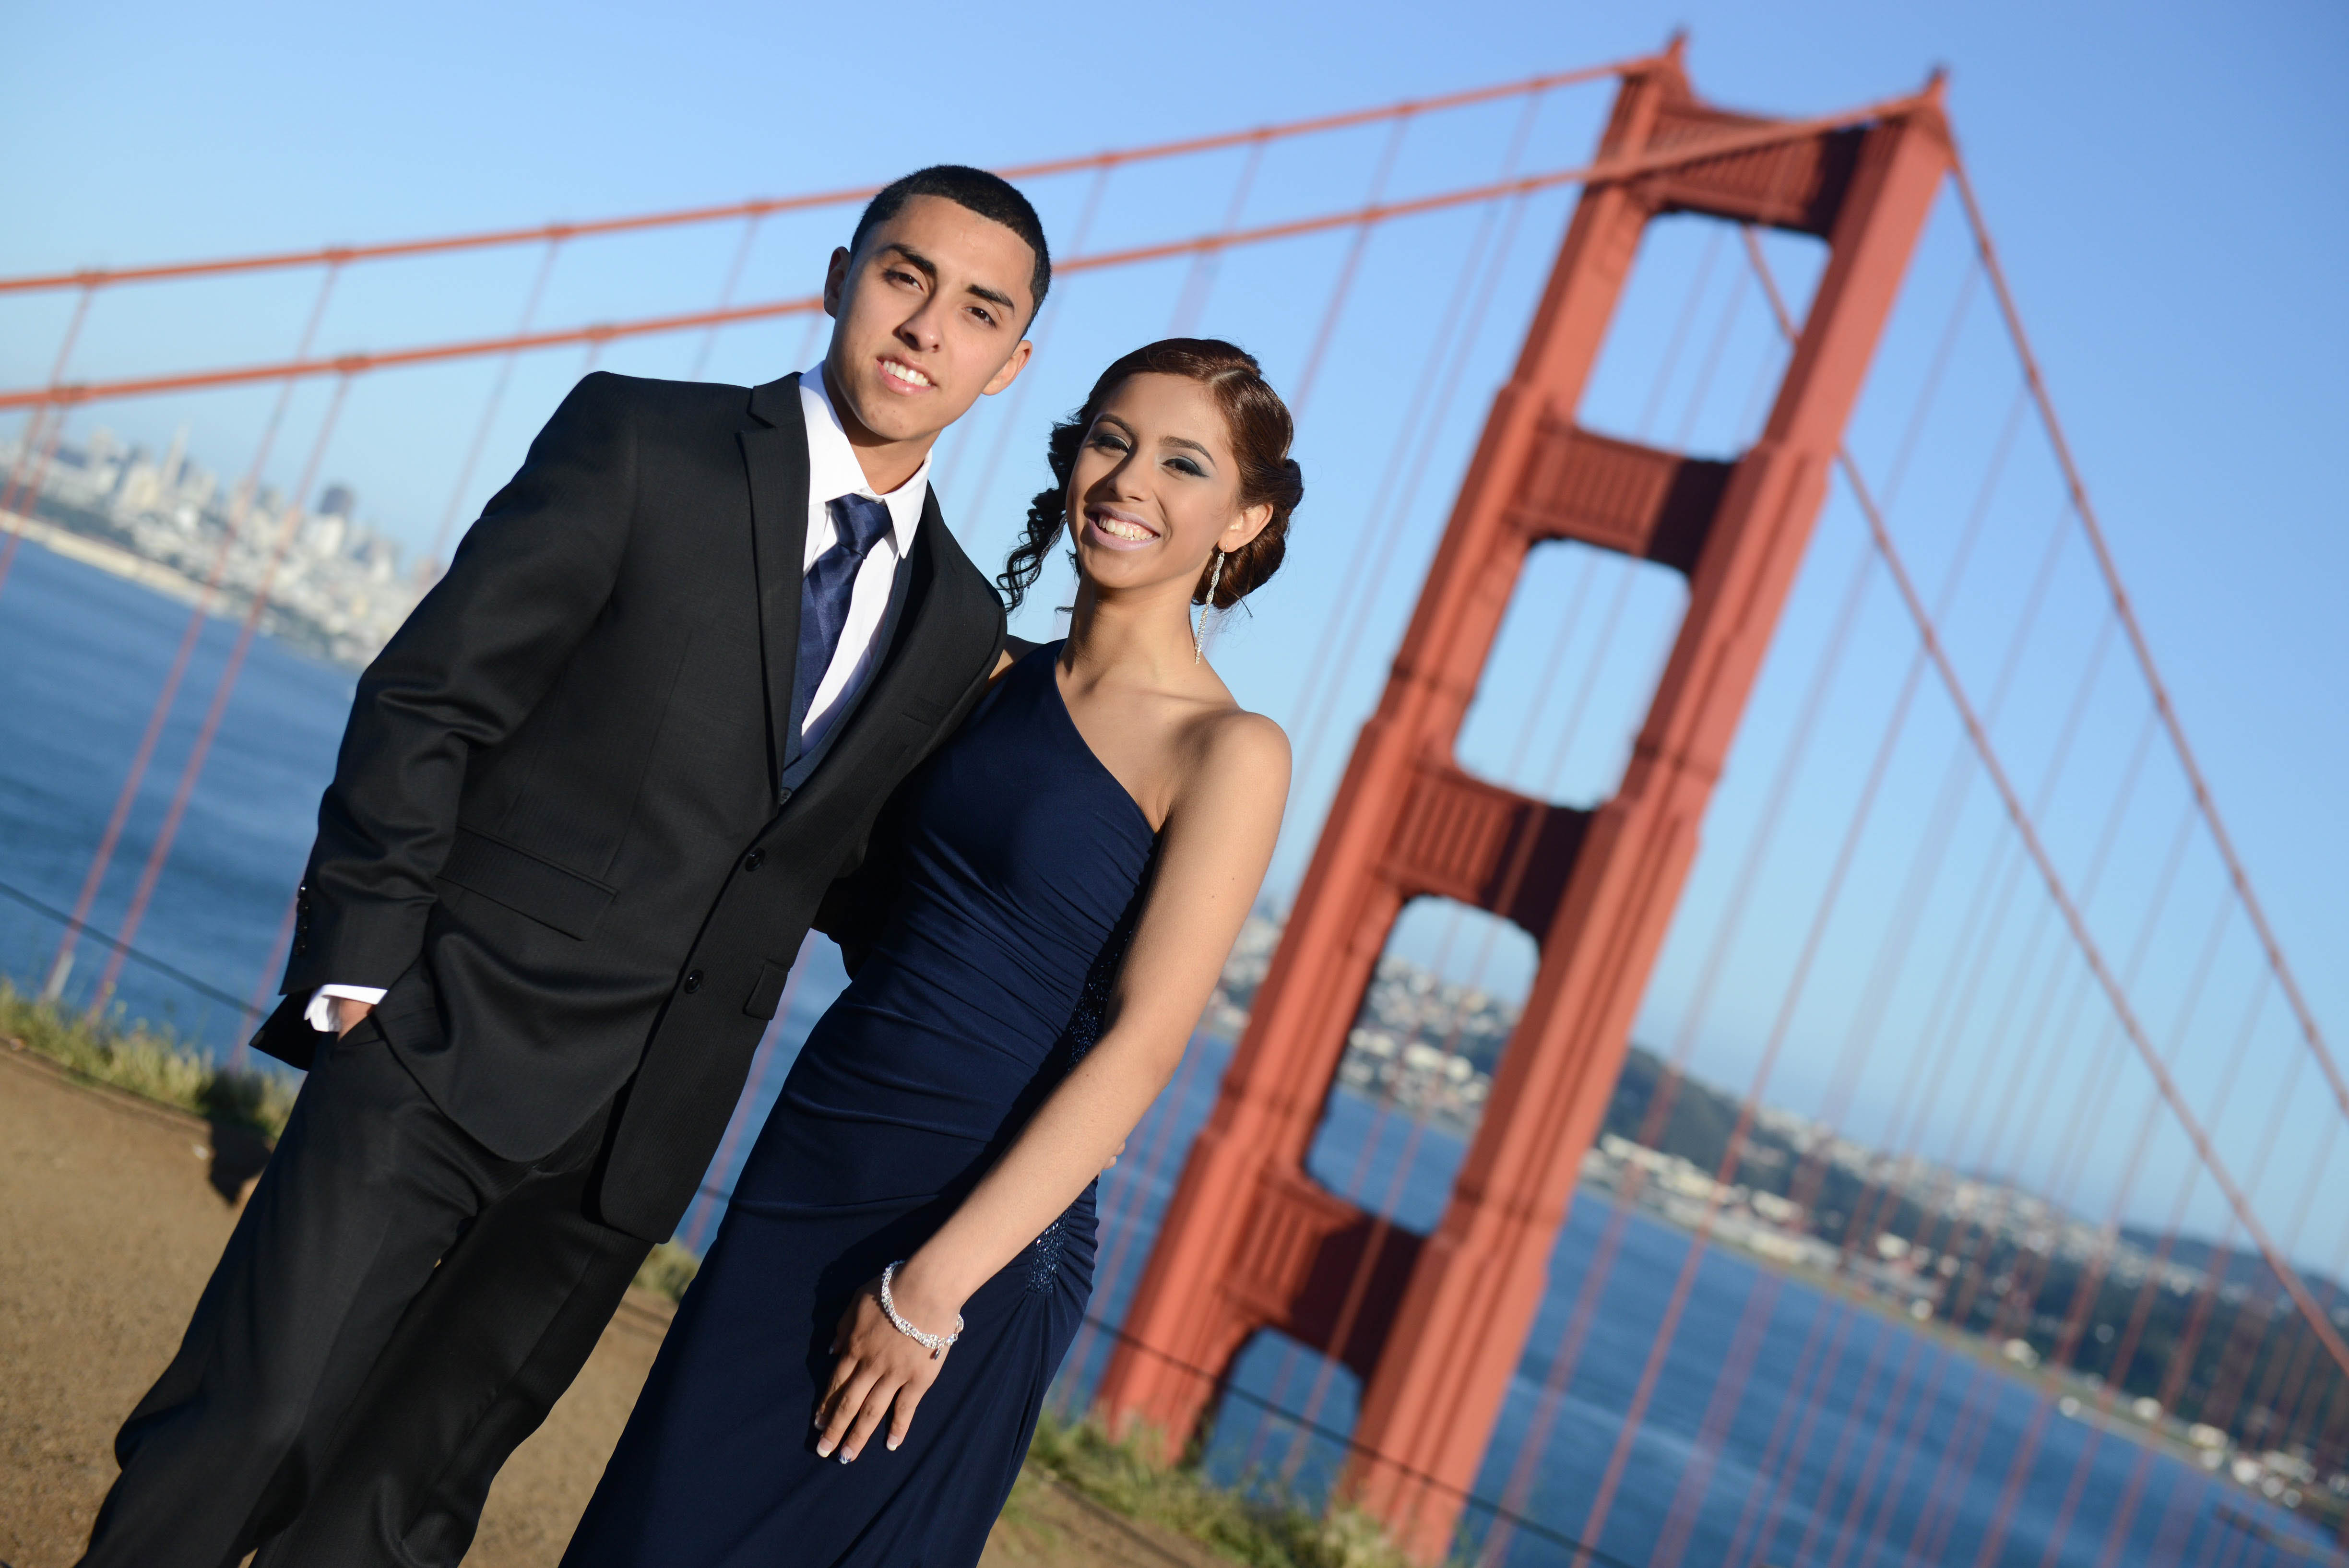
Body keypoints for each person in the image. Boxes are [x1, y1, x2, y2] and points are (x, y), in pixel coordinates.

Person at [79, 165, 1051, 1568]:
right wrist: (363, 976)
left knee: (405, 1507)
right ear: (838, 274)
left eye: (976, 310)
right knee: (248, 1421)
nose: (926, 327)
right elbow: (433, 698)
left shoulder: (961, 619)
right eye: (904, 276)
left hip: (636, 1140)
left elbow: (830, 872)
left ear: (1011, 363)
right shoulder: (642, 438)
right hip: (435, 1044)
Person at [561, 338, 1301, 1567]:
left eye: (1184, 463)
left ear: (1246, 517)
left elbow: (1146, 1041)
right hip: (819, 1147)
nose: (1129, 481)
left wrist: (933, 1287)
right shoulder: (977, 670)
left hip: (972, 1228)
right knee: (653, 1528)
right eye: (1110, 441)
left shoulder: (1232, 752)